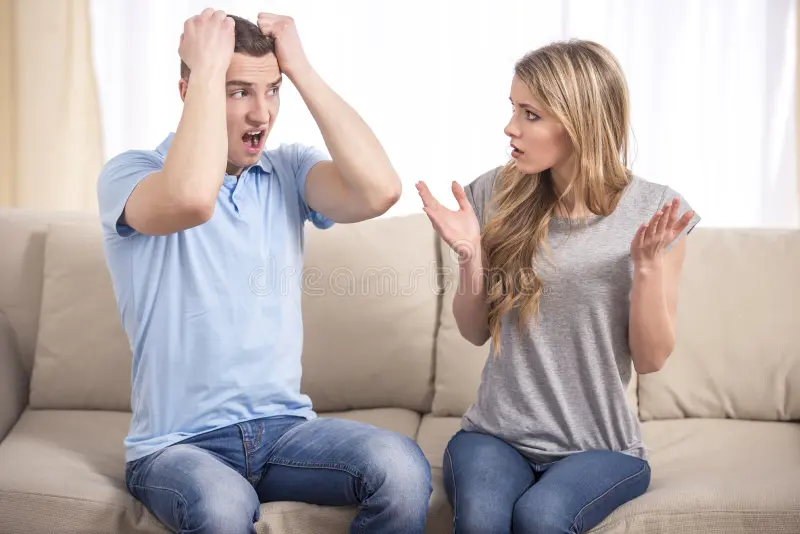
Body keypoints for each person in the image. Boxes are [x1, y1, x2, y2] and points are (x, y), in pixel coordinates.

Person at [97, 9, 431, 534]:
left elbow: (379, 190)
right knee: (222, 504)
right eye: (238, 92)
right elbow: (192, 199)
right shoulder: (131, 174)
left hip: (284, 433)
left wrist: (300, 68)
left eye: (272, 91)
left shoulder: (287, 171)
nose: (262, 113)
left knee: (401, 469)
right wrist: (207, 69)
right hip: (177, 447)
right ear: (189, 91)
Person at [416, 39, 700, 533]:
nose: (510, 127)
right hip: (495, 437)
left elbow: (651, 359)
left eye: (530, 114)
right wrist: (470, 255)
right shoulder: (495, 193)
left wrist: (647, 269)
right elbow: (474, 332)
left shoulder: (655, 210)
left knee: (541, 517)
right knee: (481, 520)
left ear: (580, 122)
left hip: (601, 448)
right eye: (513, 109)